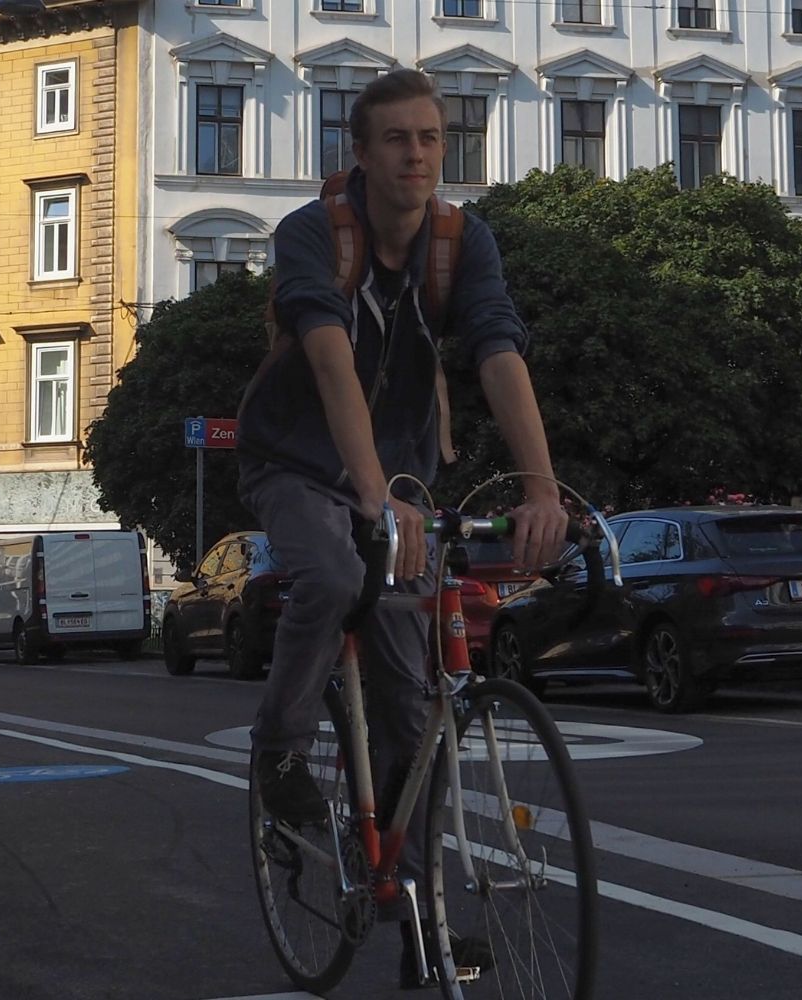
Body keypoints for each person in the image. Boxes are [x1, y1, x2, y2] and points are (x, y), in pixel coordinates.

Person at [235, 67, 568, 988]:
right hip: (299, 465)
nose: (417, 154)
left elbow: (497, 348)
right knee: (338, 581)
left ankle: (418, 913)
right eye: (397, 139)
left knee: (412, 706)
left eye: (430, 138)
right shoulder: (316, 235)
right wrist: (375, 499)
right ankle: (280, 754)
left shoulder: (463, 242)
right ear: (361, 152)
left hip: (404, 480)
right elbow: (333, 363)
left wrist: (543, 488)